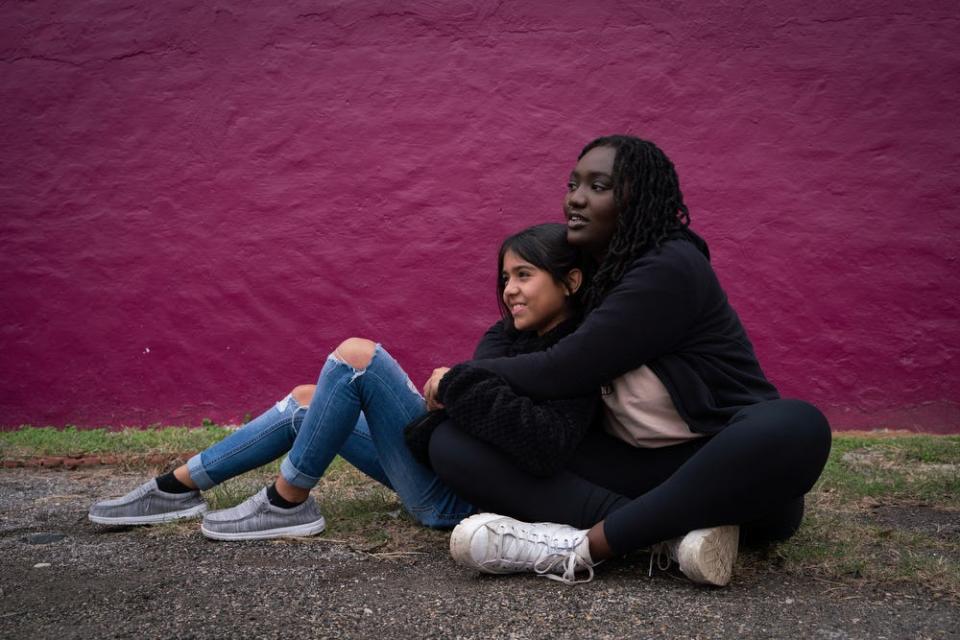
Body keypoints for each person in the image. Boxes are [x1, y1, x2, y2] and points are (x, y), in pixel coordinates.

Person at [426, 135, 833, 586]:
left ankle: (581, 547)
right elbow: (517, 325)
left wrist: (461, 377)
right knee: (451, 440)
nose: (576, 198)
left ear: (636, 199)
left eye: (598, 186)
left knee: (798, 424)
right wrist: (474, 376)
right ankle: (669, 539)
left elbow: (566, 368)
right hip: (637, 468)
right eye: (572, 184)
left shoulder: (668, 267)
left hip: (725, 465)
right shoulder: (591, 272)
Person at [88, 223, 596, 541]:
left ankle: (287, 501)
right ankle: (176, 487)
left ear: (570, 281)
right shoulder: (501, 337)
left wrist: (456, 391)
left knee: (357, 358)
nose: (509, 290)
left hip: (460, 502)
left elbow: (536, 443)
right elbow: (469, 408)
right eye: (505, 277)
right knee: (309, 401)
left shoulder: (584, 354)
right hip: (439, 467)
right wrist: (457, 397)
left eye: (524, 275)